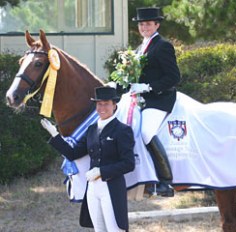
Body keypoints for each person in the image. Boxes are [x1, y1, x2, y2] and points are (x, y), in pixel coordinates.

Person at [41, 86, 135, 232]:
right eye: (99, 104)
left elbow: (129, 163)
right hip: (92, 188)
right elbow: (73, 153)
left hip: (111, 188)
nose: (102, 107)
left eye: (106, 104)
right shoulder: (91, 130)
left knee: (115, 229)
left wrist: (101, 171)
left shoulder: (122, 130)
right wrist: (55, 136)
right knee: (99, 229)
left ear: (114, 105)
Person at [130, 7, 181, 197]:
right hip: (141, 100)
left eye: (148, 24)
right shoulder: (139, 48)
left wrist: (148, 87)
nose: (144, 27)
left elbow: (174, 77)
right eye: (141, 24)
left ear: (156, 25)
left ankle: (166, 182)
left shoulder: (163, 45)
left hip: (160, 99)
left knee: (145, 132)